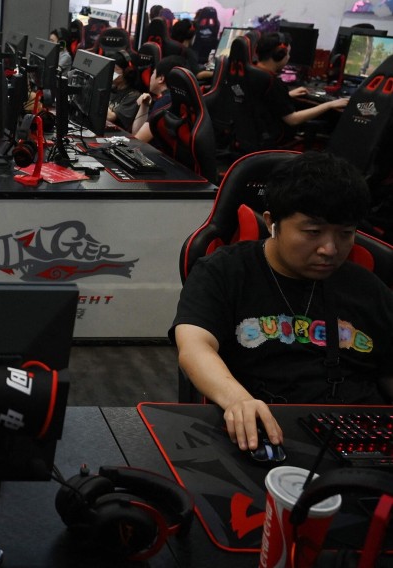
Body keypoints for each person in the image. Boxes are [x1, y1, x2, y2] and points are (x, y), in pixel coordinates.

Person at [173, 152, 392, 454]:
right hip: (268, 430)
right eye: (312, 232)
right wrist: (237, 399)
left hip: (359, 435)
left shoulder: (367, 286)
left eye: (345, 234)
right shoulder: (226, 271)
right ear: (272, 223)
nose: (330, 249)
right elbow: (194, 346)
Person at [256, 32, 348, 145]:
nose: (289, 57)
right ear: (278, 55)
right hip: (274, 138)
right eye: (288, 54)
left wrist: (287, 95)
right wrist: (329, 104)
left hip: (254, 134)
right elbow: (293, 119)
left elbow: (260, 101)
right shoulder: (273, 81)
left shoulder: (253, 71)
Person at [133, 55, 185, 142]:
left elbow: (138, 140)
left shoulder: (166, 101)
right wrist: (144, 106)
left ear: (161, 78)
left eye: (153, 73)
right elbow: (136, 132)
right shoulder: (167, 98)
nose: (151, 77)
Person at [106, 51, 143, 134]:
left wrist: (98, 92)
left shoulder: (133, 96)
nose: (111, 71)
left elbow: (110, 117)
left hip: (116, 136)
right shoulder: (111, 88)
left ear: (127, 72)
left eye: (115, 68)